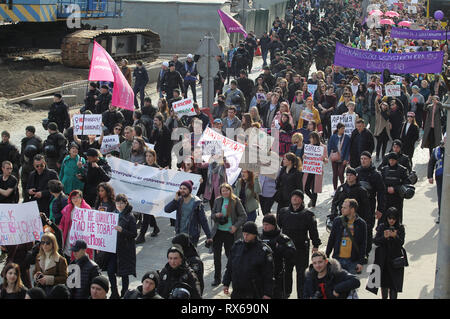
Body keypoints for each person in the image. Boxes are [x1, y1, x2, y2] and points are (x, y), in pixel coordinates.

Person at [277, 189, 321, 299]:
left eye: (297, 197)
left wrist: (316, 245)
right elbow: (278, 229)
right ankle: (286, 293)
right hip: (286, 248)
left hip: (301, 248)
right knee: (286, 272)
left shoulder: (308, 214)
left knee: (301, 274)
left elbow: (313, 231)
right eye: (293, 197)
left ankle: (301, 296)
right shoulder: (283, 212)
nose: (294, 198)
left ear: (301, 200)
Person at [223, 221, 274, 299]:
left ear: (254, 234)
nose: (245, 237)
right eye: (244, 234)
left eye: (248, 234)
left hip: (255, 292)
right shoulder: (237, 247)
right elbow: (230, 267)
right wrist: (226, 283)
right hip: (238, 291)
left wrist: (267, 293)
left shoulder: (264, 250)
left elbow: (268, 274)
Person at [366, 207, 408, 299]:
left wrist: (395, 236)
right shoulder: (382, 227)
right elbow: (376, 241)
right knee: (383, 284)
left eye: (393, 218)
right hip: (383, 260)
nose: (391, 220)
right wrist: (384, 237)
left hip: (395, 260)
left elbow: (401, 243)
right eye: (389, 218)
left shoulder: (400, 228)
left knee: (394, 285)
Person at [210, 183, 247, 287]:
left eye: (227, 190)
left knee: (230, 256)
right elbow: (212, 215)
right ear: (220, 192)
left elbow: (243, 216)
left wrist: (235, 226)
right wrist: (216, 215)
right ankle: (217, 278)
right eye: (223, 191)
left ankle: (232, 276)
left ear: (230, 190)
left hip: (230, 233)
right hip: (218, 232)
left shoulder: (235, 201)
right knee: (216, 256)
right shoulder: (217, 200)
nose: (225, 192)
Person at [164, 180, 213, 247]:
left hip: (192, 235)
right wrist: (175, 199)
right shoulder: (179, 201)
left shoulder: (197, 202)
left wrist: (209, 236)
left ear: (189, 190)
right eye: (180, 188)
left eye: (184, 189)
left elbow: (203, 220)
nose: (182, 190)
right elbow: (167, 210)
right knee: (180, 255)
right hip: (179, 234)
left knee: (190, 255)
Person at [356, 151, 386, 258]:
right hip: (356, 207)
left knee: (367, 230)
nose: (363, 161)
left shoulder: (376, 174)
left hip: (369, 206)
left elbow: (381, 192)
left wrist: (380, 209)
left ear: (370, 160)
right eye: (361, 159)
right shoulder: (357, 172)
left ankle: (365, 253)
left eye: (365, 159)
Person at [326, 198, 367, 275]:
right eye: (342, 207)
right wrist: (326, 255)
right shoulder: (337, 221)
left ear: (352, 209)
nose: (342, 209)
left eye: (344, 208)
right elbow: (331, 239)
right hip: (338, 260)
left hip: (352, 261)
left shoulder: (361, 223)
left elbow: (363, 244)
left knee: (350, 285)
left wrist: (360, 262)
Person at [108, 194, 137, 298]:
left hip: (125, 250)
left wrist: (122, 230)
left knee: (124, 273)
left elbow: (134, 234)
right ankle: (114, 292)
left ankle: (124, 293)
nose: (119, 205)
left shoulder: (130, 216)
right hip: (113, 248)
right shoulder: (113, 214)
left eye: (121, 203)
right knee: (110, 271)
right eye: (117, 203)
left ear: (126, 203)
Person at [260, 214, 296, 299]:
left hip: (278, 273)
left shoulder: (282, 238)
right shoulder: (260, 237)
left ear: (273, 225)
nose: (265, 227)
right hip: (263, 274)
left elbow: (292, 252)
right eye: (264, 224)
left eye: (267, 225)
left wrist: (279, 248)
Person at [59, 190, 93, 262]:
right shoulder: (68, 208)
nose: (75, 200)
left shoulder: (87, 208)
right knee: (69, 253)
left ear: (81, 198)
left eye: (77, 197)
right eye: (73, 198)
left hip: (82, 236)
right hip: (69, 235)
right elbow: (62, 222)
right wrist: (60, 229)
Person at [380, 152, 409, 224]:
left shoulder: (402, 170)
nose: (391, 161)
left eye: (393, 160)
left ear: (396, 160)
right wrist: (386, 189)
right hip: (386, 197)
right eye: (390, 160)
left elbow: (406, 183)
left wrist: (395, 189)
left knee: (397, 216)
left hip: (397, 197)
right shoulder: (384, 170)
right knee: (384, 217)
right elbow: (380, 183)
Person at [302, 131, 328, 208]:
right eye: (310, 138)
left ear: (315, 138)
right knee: (306, 188)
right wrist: (304, 157)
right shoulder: (308, 147)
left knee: (314, 188)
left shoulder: (323, 147)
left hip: (317, 170)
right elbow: (305, 157)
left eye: (311, 138)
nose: (310, 139)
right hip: (309, 170)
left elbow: (326, 160)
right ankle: (312, 199)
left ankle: (313, 205)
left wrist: (323, 159)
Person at [20, 126, 43, 201]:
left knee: (33, 182)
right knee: (24, 182)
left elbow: (40, 154)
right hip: (25, 165)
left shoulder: (37, 141)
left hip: (33, 165)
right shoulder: (25, 140)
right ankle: (25, 198)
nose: (26, 133)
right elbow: (22, 152)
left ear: (31, 132)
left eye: (27, 132)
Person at [328, 123, 350, 193]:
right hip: (335, 158)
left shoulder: (347, 137)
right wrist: (329, 155)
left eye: (344, 129)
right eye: (342, 129)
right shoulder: (333, 137)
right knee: (335, 174)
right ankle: (335, 189)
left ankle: (343, 187)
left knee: (341, 173)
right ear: (338, 129)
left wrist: (346, 159)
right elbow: (329, 146)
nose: (343, 130)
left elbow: (348, 149)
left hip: (343, 158)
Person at [428, 137, 445, 224]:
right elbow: (431, 163)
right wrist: (430, 176)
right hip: (440, 176)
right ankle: (441, 215)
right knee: (441, 196)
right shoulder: (436, 150)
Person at [374, 98, 392, 162]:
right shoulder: (379, 111)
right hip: (380, 130)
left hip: (386, 131)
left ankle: (383, 156)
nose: (384, 106)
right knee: (379, 144)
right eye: (383, 105)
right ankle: (377, 156)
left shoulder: (388, 113)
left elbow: (387, 118)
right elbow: (376, 106)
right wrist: (376, 100)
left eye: (385, 105)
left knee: (385, 145)